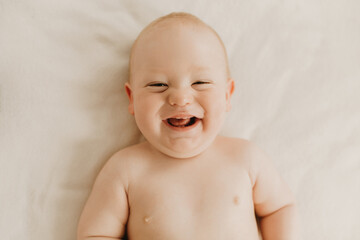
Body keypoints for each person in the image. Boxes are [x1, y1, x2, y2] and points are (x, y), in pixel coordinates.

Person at [77, 12, 299, 240]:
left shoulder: (246, 159)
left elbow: (279, 208)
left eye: (200, 83)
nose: (180, 98)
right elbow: (96, 233)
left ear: (226, 95)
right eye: (158, 84)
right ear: (132, 98)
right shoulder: (125, 170)